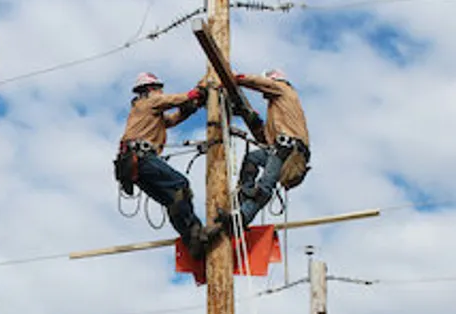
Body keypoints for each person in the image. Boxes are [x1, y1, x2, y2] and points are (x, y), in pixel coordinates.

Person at [205, 68, 311, 242]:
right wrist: (251, 118)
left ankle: (241, 218)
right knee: (252, 159)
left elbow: (259, 83)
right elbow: (265, 139)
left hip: (289, 151)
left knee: (265, 185)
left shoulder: (283, 89)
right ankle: (244, 196)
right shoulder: (278, 109)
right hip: (280, 148)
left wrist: (236, 78)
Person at [114, 72, 211, 257]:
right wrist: (197, 93)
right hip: (140, 158)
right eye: (159, 89)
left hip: (132, 165)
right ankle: (196, 232)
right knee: (181, 185)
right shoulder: (150, 100)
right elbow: (174, 99)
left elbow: (171, 120)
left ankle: (192, 241)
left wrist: (189, 109)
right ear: (151, 89)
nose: (161, 92)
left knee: (172, 199)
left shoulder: (145, 110)